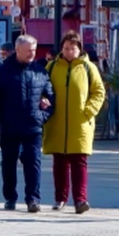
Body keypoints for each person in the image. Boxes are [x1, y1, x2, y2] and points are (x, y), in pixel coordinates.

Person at [0, 34, 54, 213]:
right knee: (8, 163)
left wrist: (43, 114)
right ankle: (10, 197)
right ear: (18, 50)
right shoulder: (3, 71)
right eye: (29, 50)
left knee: (33, 162)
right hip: (9, 125)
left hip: (33, 126)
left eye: (34, 50)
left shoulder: (40, 71)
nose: (32, 53)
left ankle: (33, 199)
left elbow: (51, 97)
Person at [42, 32, 105, 214]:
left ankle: (80, 200)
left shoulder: (88, 68)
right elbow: (42, 88)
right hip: (57, 121)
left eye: (73, 48)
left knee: (79, 162)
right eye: (66, 48)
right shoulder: (52, 67)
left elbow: (98, 91)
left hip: (80, 122)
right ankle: (60, 198)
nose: (69, 52)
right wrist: (44, 101)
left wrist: (89, 111)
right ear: (61, 49)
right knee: (59, 162)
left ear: (80, 50)